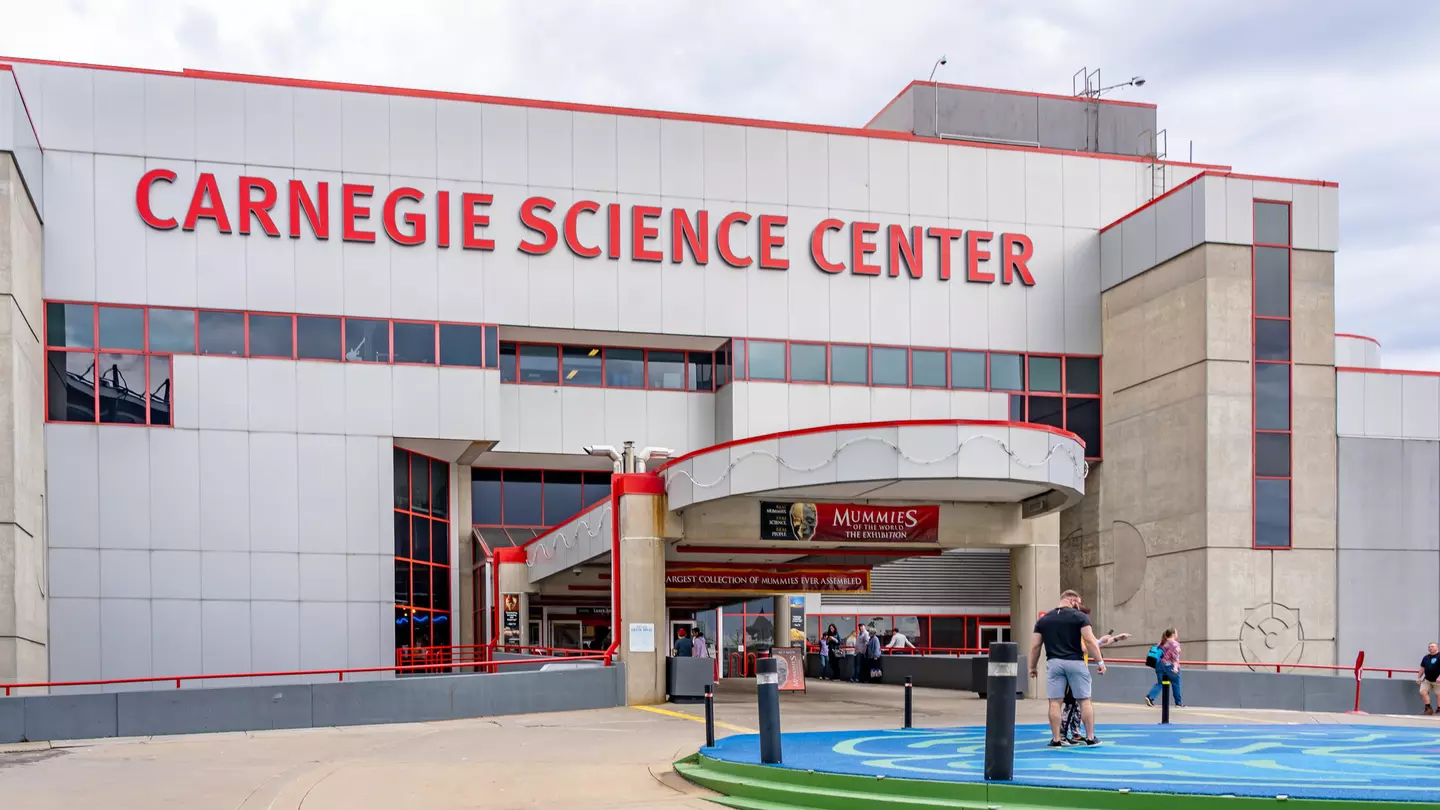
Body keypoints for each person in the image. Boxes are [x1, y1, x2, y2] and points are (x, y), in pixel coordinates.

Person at [1029, 589, 1106, 747]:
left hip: (1054, 663)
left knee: (1055, 703)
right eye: (1078, 602)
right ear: (1072, 601)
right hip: (1075, 662)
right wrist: (1100, 662)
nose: (1079, 606)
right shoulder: (1079, 617)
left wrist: (1032, 667)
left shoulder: (1043, 620)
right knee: (1084, 700)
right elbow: (1090, 640)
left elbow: (1036, 646)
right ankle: (1090, 737)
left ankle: (1057, 739)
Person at [1061, 607, 1128, 744]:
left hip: (1080, 671)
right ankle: (1062, 734)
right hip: (1073, 671)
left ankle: (1075, 733)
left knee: (1078, 706)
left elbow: (1095, 645)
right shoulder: (1072, 634)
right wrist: (1099, 642)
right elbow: (1086, 647)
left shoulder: (1081, 633)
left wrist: (1115, 639)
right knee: (1071, 705)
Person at [1145, 629, 1184, 708]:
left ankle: (1150, 697)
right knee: (1176, 684)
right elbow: (1175, 658)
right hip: (1170, 666)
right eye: (1176, 632)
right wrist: (1176, 668)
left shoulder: (1161, 643)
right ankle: (1178, 703)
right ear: (1173, 634)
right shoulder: (1175, 644)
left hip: (1159, 665)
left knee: (1160, 683)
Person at [1419, 642, 1440, 715]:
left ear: (1437, 647)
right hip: (1427, 679)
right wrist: (1418, 677)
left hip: (1438, 680)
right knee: (1422, 691)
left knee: (1439, 694)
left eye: (1432, 646)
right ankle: (1428, 708)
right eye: (1429, 647)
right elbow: (1422, 668)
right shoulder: (1426, 657)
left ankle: (1439, 710)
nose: (1430, 648)